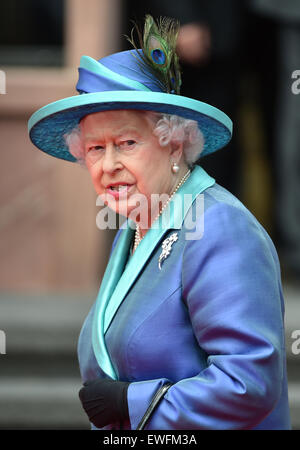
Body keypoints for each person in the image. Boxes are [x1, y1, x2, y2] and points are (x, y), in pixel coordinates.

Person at [28, 15, 291, 430]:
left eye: (126, 143)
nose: (109, 165)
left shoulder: (218, 227)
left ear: (175, 143)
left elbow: (249, 383)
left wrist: (133, 404)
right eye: (95, 148)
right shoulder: (137, 228)